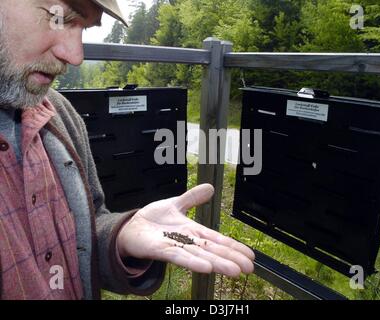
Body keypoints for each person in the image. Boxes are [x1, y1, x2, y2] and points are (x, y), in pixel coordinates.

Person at [0, 0, 255, 300]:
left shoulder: (59, 115)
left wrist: (120, 236)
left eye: (82, 28)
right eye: (59, 18)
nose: (75, 55)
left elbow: (87, 224)